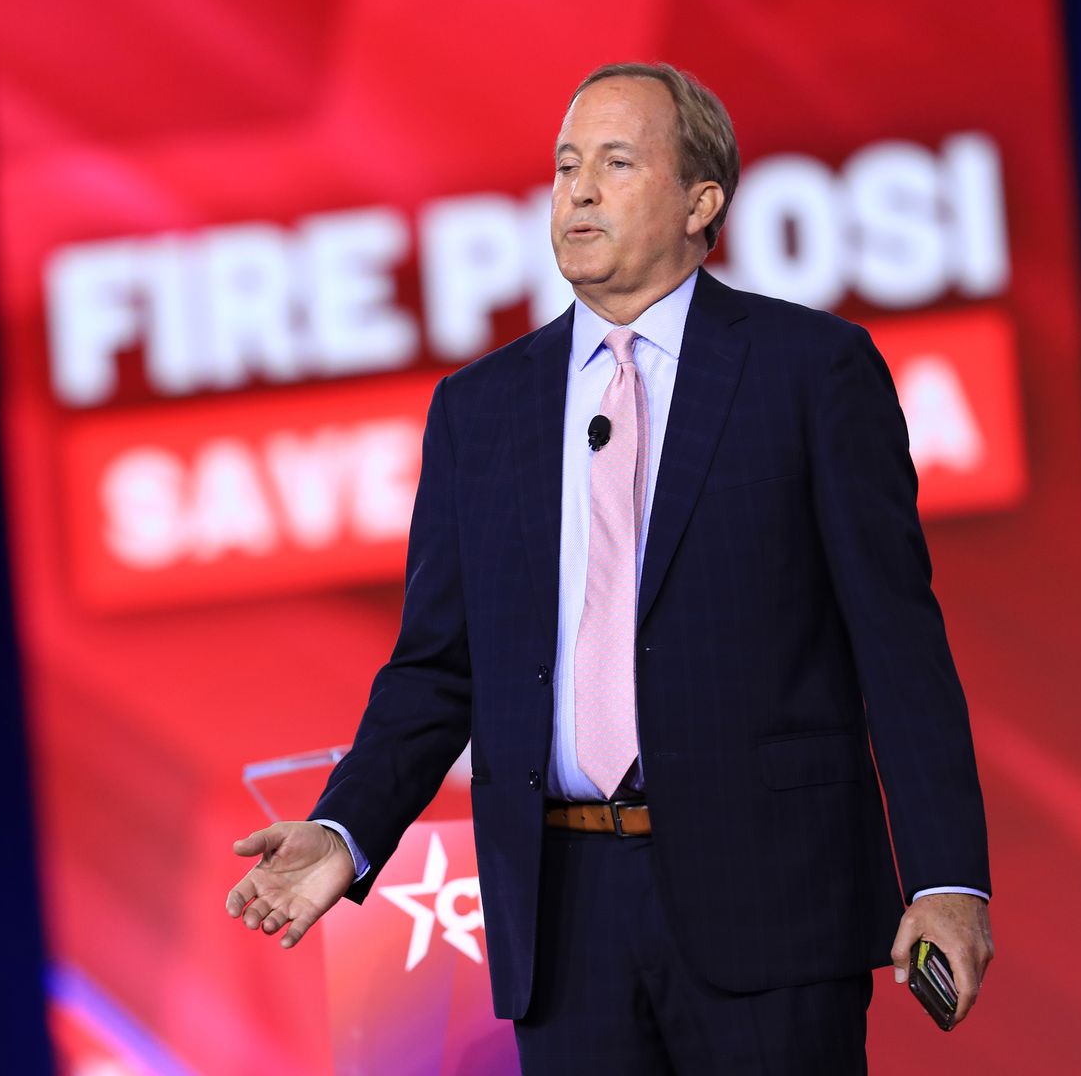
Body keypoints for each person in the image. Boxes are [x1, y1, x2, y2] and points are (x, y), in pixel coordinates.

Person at [223, 61, 993, 1072]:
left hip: (772, 907)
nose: (578, 190)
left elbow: (896, 645)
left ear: (699, 202)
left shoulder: (811, 373)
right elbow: (438, 670)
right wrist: (345, 829)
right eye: (565, 166)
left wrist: (946, 878)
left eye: (617, 163)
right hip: (565, 920)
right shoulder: (482, 410)